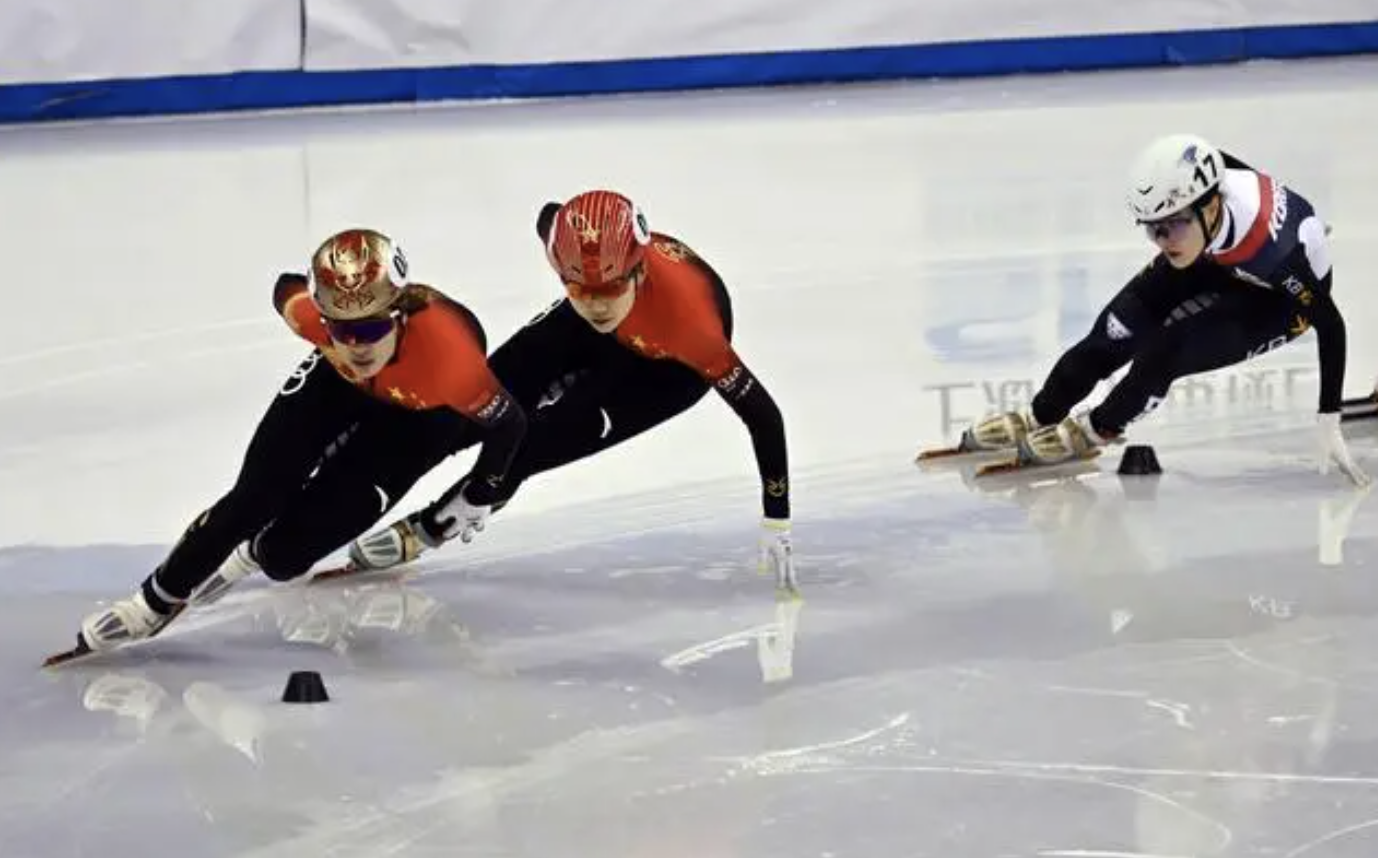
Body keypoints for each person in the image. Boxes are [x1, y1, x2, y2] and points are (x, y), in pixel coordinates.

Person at [69, 228, 527, 654]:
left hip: (420, 415)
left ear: (400, 314)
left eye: (370, 328)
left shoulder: (452, 364)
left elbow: (509, 424)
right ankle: (153, 602)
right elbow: (285, 287)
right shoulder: (319, 326)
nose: (358, 344)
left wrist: (481, 492)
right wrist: (329, 342)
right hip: (338, 385)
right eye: (342, 329)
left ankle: (254, 553)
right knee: (252, 499)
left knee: (283, 559)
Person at [346, 190, 797, 590]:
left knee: (531, 446)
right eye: (577, 286)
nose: (597, 302)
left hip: (666, 373)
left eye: (611, 286)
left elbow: (763, 415)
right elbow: (552, 217)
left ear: (638, 273)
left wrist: (776, 516)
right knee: (479, 397)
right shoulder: (584, 271)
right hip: (598, 330)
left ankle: (430, 528)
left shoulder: (693, 330)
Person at [959, 133, 1367, 485]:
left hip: (1276, 300)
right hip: (1216, 256)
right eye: (1152, 228)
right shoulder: (1202, 196)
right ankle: (1039, 414)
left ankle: (1097, 429)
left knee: (1167, 350)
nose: (1161, 240)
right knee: (1115, 332)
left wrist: (1327, 418)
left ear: (1209, 208)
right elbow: (1222, 162)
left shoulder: (1274, 253)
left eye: (1171, 226)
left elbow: (1331, 324)